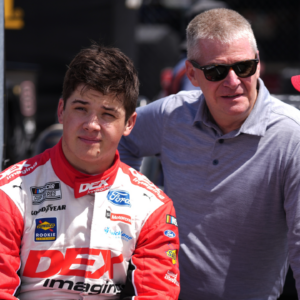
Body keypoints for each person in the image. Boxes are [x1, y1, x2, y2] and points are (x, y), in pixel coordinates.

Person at [118, 8, 300, 300]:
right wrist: (130, 210)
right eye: (216, 71)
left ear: (258, 64)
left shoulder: (292, 136)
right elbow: (121, 139)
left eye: (243, 68)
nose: (233, 81)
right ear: (192, 74)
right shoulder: (172, 114)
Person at [0, 44, 180, 299]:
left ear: (129, 123)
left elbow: (158, 294)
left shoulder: (153, 207)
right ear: (61, 111)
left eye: (107, 114)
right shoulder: (9, 193)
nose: (92, 125)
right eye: (81, 108)